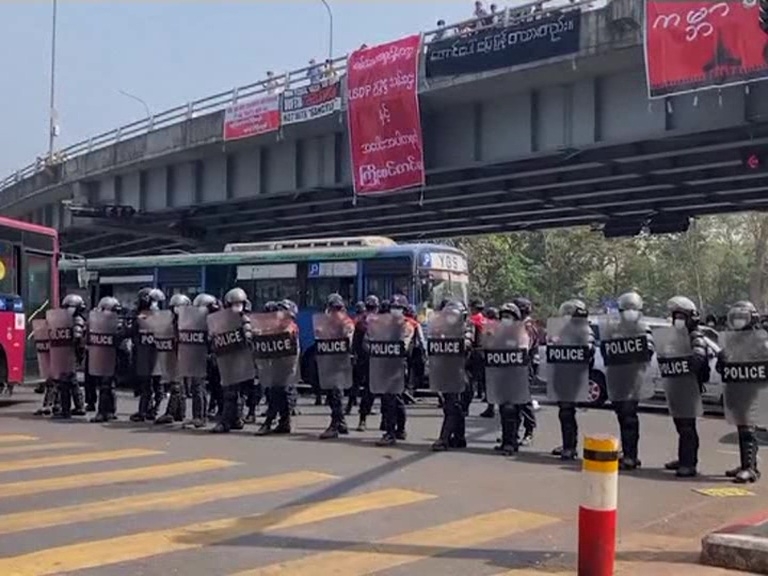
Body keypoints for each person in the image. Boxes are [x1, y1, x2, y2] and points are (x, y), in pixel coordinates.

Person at [603, 291, 655, 471]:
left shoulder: (643, 327)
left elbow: (648, 351)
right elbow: (605, 350)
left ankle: (631, 456)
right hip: (617, 376)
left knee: (629, 416)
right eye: (626, 309)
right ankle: (627, 452)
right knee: (621, 415)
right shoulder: (614, 328)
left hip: (634, 376)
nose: (629, 312)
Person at [660, 296, 709, 478]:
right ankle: (683, 458)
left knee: (687, 426)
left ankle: (689, 464)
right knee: (681, 424)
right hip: (677, 385)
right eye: (675, 316)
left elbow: (698, 358)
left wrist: (682, 366)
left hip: (689, 386)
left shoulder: (695, 336)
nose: (676, 320)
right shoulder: (677, 336)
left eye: (680, 316)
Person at [717, 301, 766, 484]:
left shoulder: (761, 339)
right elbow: (724, 366)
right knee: (742, 427)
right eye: (735, 317)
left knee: (747, 428)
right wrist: (723, 359)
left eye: (742, 317)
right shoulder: (734, 339)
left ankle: (749, 469)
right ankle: (747, 464)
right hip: (737, 389)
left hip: (754, 390)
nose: (738, 321)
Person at [547, 299, 594, 460]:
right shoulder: (562, 330)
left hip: (574, 375)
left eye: (570, 313)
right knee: (563, 412)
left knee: (567, 410)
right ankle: (567, 443)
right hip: (561, 373)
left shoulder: (584, 329)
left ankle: (570, 447)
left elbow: (589, 350)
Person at [430, 300, 472, 451]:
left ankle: (444, 439)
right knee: (453, 405)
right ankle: (459, 437)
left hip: (460, 372)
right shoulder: (441, 330)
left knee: (451, 405)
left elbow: (467, 345)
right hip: (445, 371)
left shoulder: (465, 330)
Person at [255, 299, 300, 436]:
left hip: (287, 363)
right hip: (276, 362)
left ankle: (269, 422)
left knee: (278, 391)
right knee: (280, 392)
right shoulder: (275, 326)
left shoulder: (290, 327)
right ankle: (284, 422)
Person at [317, 293, 355, 439]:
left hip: (340, 362)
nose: (334, 312)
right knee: (332, 393)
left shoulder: (346, 323)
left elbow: (348, 341)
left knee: (336, 394)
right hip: (329, 361)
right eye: (333, 309)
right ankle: (341, 423)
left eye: (336, 309)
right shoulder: (328, 323)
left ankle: (334, 425)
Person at [155, 294, 191, 425]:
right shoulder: (173, 321)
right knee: (178, 384)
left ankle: (170, 413)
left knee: (176, 384)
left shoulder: (187, 322)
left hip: (182, 354)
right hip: (173, 352)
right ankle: (180, 413)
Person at [50, 294, 87, 419]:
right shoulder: (69, 320)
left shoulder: (77, 320)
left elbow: (77, 338)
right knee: (72, 381)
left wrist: (77, 353)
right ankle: (79, 406)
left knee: (65, 382)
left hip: (71, 353)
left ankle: (66, 410)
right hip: (69, 353)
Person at [129, 288, 163, 422]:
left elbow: (130, 332)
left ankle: (145, 411)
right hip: (155, 353)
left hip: (147, 353)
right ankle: (153, 410)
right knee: (155, 384)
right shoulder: (160, 316)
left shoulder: (142, 317)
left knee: (148, 385)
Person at [187, 293, 220, 428]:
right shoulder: (200, 321)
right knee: (198, 386)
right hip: (198, 355)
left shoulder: (213, 322)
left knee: (200, 386)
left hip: (207, 357)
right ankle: (198, 415)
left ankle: (201, 416)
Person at [90, 296, 123, 423]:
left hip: (110, 357)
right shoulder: (115, 323)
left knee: (105, 385)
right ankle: (110, 411)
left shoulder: (113, 324)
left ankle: (102, 412)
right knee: (109, 386)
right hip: (108, 357)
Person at [513, 297, 539, 445]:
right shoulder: (518, 325)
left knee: (523, 400)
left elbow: (524, 348)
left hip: (524, 365)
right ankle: (513, 433)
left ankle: (529, 431)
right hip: (514, 365)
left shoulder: (527, 326)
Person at [351, 295, 379, 430]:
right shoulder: (366, 322)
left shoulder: (360, 321)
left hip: (365, 358)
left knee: (362, 387)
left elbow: (354, 341)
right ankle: (362, 418)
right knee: (369, 389)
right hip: (370, 358)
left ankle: (362, 418)